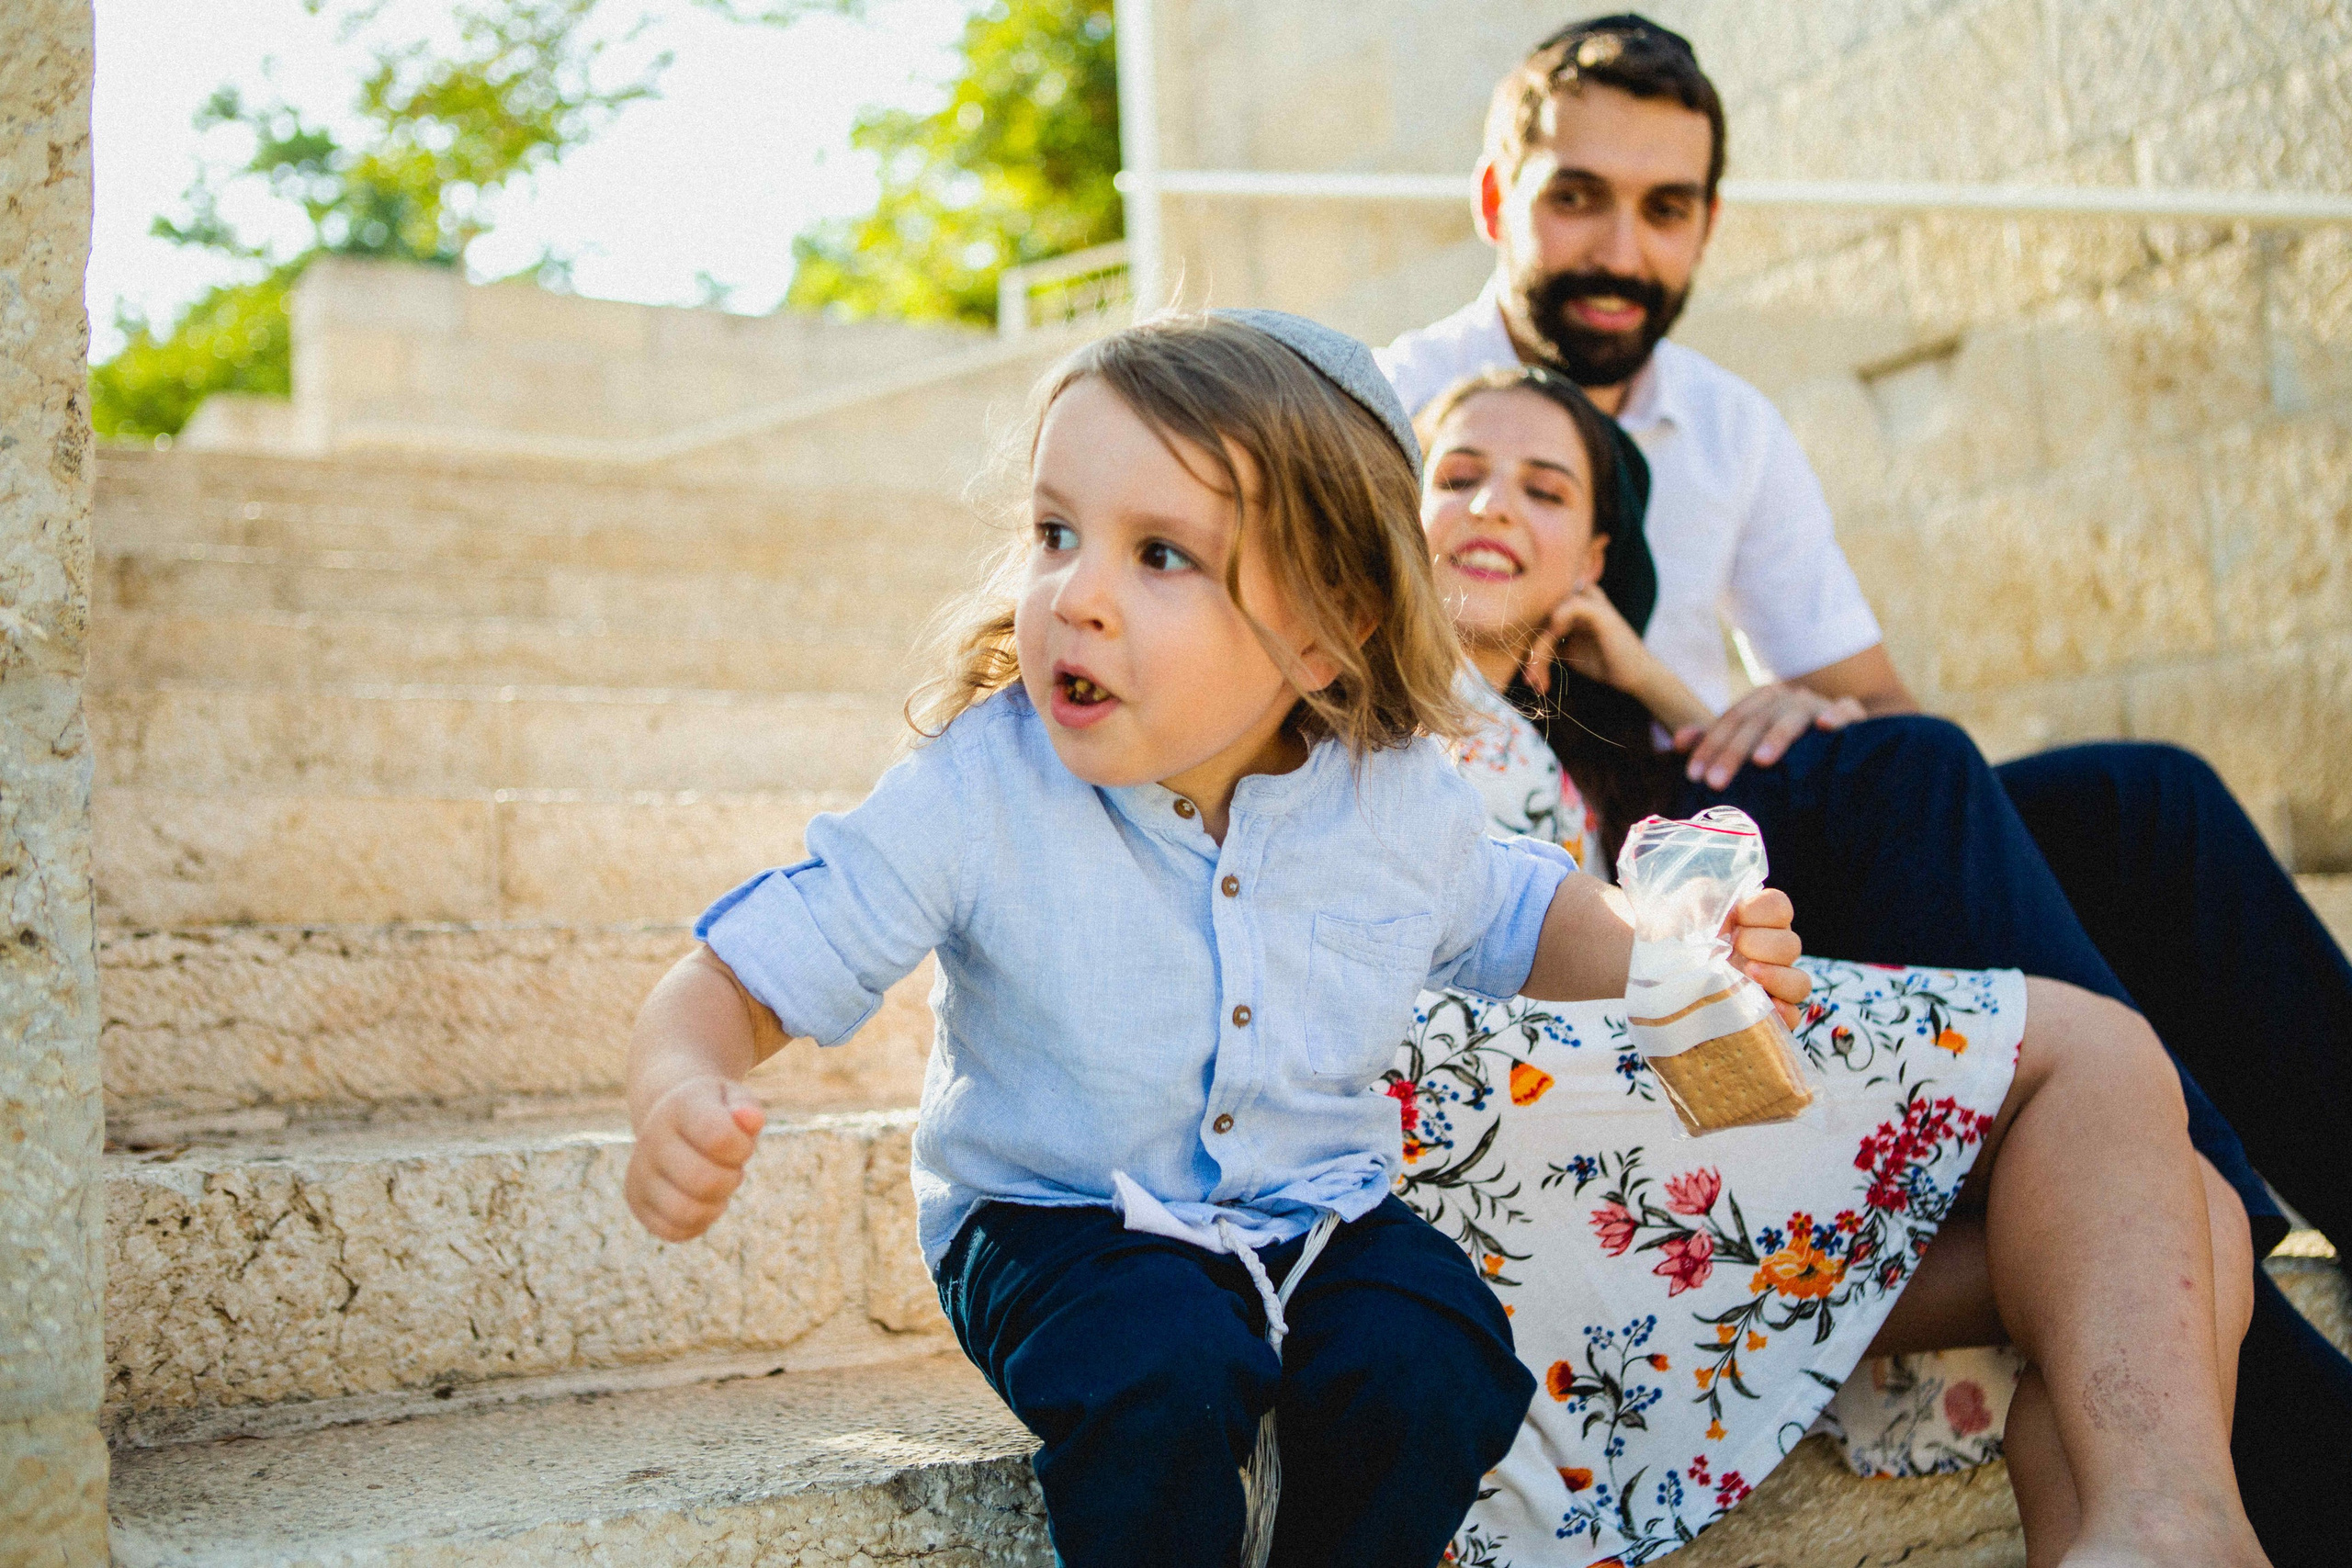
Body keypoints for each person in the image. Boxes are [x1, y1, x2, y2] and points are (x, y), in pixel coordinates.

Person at [616, 310, 1816, 1568]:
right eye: (1055, 533)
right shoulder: (981, 789)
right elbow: (739, 973)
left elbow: (1532, 917)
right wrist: (681, 1080)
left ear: (1323, 626)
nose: (1076, 596)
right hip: (1055, 1215)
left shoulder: (1391, 796)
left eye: (1161, 556)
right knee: (1163, 1368)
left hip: (1318, 1211)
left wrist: (1679, 945)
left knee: (1436, 1356)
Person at [1374, 17, 2352, 1554]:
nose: (1618, 246)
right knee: (1906, 777)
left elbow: (1886, 716)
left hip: (1734, 804)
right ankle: (2225, 1290)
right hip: (1591, 876)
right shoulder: (1392, 410)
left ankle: (2194, 1183)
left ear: (1703, 223)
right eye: (1578, 197)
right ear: (1499, 200)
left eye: (1666, 206)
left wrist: (1748, 699)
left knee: (2141, 799)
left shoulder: (1728, 422)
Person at [1404, 364, 2267, 1566]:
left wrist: (1645, 675)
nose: (1493, 505)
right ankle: (2175, 1531)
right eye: (1457, 477)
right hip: (1498, 1192)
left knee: (2188, 1210)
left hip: (1656, 1200)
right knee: (2099, 1059)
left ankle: (2126, 1540)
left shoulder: (1589, 787)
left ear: (1592, 562)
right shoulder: (1365, 698)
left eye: (1541, 492)